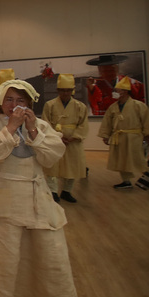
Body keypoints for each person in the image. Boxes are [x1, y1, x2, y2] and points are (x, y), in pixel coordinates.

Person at [0, 79, 88, 297]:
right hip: (0, 203)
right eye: (10, 100)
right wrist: (12, 128)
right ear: (1, 102)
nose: (16, 105)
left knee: (50, 258)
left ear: (30, 103)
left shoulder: (41, 125)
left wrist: (33, 131)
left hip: (36, 199)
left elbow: (52, 156)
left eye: (21, 101)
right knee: (2, 259)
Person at [98, 76, 149, 189]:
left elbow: (146, 120)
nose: (115, 93)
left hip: (134, 137)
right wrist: (106, 135)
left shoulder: (138, 106)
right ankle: (126, 181)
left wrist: (148, 134)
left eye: (117, 90)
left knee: (138, 158)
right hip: (119, 137)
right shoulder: (113, 107)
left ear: (125, 91)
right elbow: (107, 122)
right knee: (121, 159)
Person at [42, 74, 89, 203]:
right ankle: (53, 191)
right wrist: (56, 137)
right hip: (55, 141)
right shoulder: (50, 105)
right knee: (53, 166)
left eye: (68, 90)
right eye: (62, 90)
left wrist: (74, 137)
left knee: (72, 166)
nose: (65, 93)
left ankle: (67, 191)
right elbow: (45, 123)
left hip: (73, 142)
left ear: (72, 90)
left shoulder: (80, 106)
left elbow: (83, 124)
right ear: (58, 90)